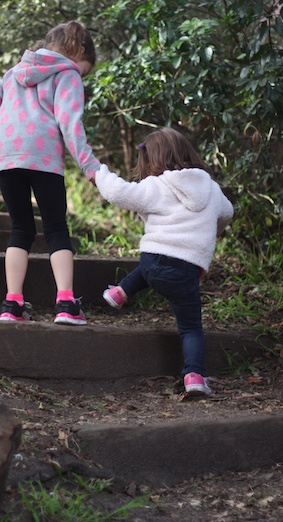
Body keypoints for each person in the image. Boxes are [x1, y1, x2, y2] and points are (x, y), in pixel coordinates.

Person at [0, 20, 100, 325]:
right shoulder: (67, 73)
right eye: (84, 69)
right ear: (78, 51)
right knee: (55, 228)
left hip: (7, 156)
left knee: (21, 229)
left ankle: (12, 305)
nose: (81, 74)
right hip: (43, 156)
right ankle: (66, 304)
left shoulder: (13, 73)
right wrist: (90, 166)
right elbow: (70, 123)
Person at [95, 127, 234, 396]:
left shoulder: (156, 185)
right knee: (191, 328)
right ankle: (194, 377)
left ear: (152, 160)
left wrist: (100, 172)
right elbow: (227, 212)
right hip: (186, 269)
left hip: (152, 260)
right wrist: (212, 227)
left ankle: (120, 292)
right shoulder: (212, 189)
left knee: (150, 268)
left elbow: (119, 193)